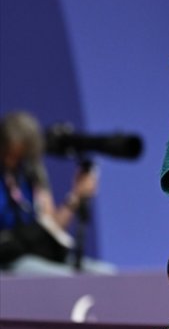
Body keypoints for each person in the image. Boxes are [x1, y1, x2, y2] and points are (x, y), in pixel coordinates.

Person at [0, 111, 111, 276]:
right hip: (9, 258)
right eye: (9, 153)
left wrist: (76, 196)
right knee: (64, 278)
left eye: (19, 156)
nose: (13, 160)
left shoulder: (31, 175)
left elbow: (53, 227)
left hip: (40, 253)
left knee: (105, 274)